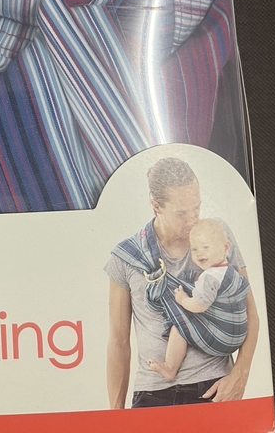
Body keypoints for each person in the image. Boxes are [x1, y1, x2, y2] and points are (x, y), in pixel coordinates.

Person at [105, 157, 259, 409]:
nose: (192, 220)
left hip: (213, 387)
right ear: (156, 206)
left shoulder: (215, 235)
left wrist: (239, 376)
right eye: (182, 213)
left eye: (196, 209)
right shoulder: (126, 256)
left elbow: (249, 311)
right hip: (151, 393)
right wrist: (115, 414)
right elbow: (119, 341)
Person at [148, 218, 249, 381]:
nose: (199, 253)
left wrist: (182, 299)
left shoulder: (209, 277)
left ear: (226, 248)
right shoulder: (231, 273)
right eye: (194, 249)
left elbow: (199, 306)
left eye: (205, 247)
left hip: (222, 338)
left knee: (179, 325)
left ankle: (170, 367)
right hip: (238, 334)